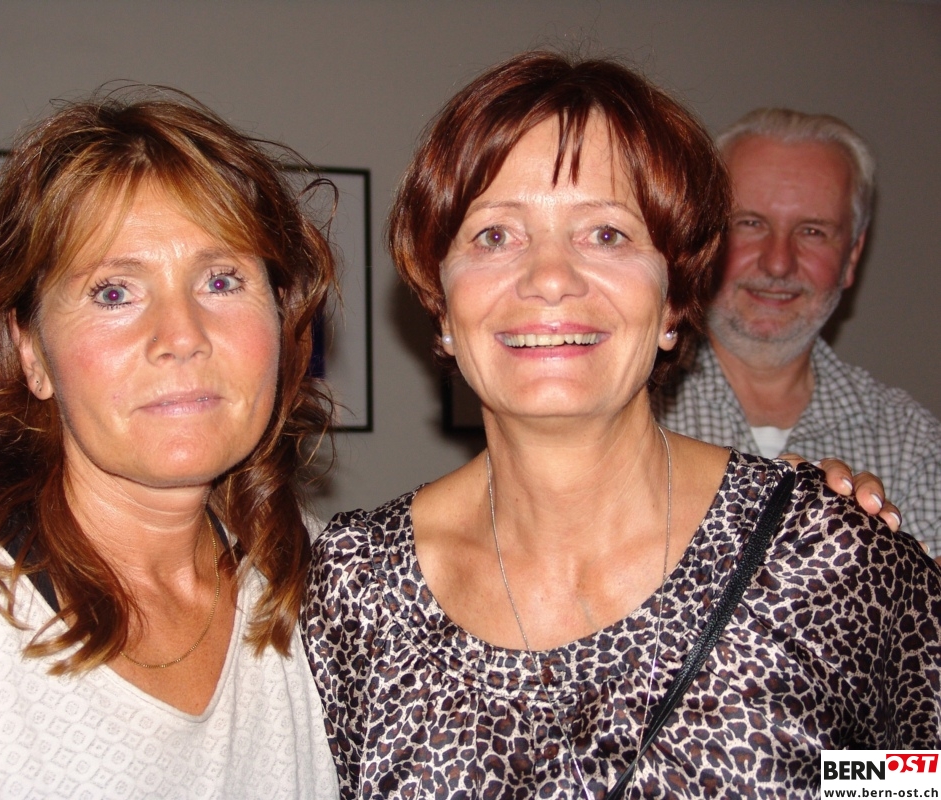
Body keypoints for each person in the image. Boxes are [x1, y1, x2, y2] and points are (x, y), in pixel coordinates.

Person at [303, 53, 941, 797]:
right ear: (440, 303)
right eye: (495, 235)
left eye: (605, 234)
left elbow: (918, 783)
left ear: (673, 300)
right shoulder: (354, 587)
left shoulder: (824, 558)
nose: (549, 277)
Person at [0, 91, 338, 798]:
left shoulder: (323, 587)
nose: (181, 336)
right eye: (114, 293)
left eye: (221, 281)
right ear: (31, 353)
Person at [653, 107, 941, 557]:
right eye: (750, 223)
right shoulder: (626, 406)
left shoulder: (914, 447)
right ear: (703, 238)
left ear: (852, 256)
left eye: (812, 231)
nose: (778, 263)